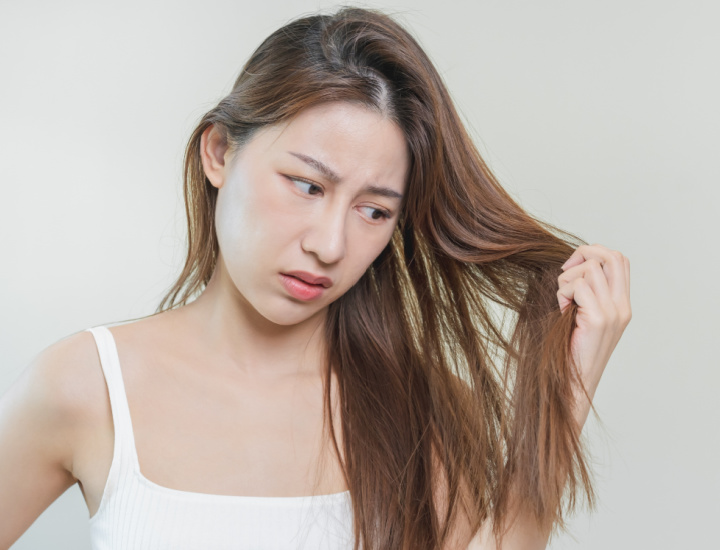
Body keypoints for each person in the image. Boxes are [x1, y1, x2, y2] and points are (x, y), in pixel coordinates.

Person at [0, 6, 631, 550]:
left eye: (374, 210)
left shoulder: (423, 407)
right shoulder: (86, 385)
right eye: (308, 185)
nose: (330, 244)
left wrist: (567, 391)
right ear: (220, 152)